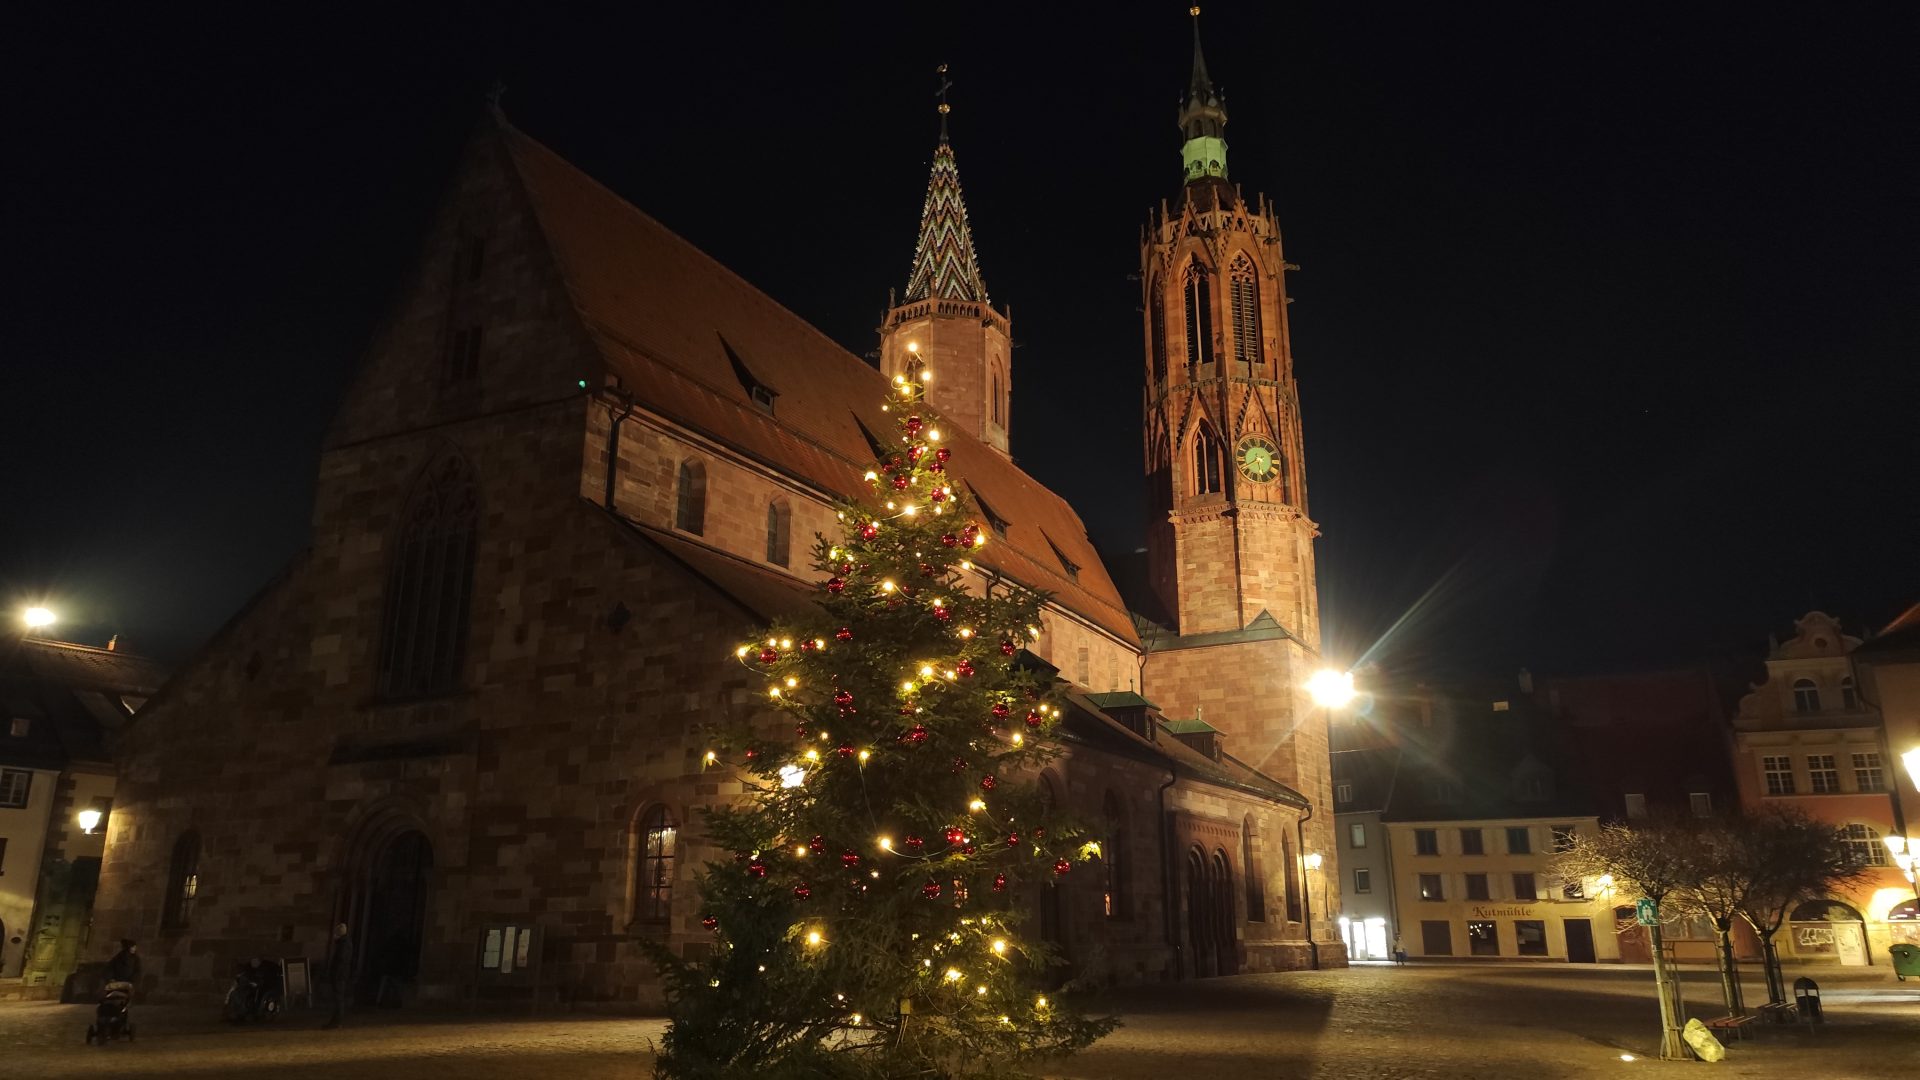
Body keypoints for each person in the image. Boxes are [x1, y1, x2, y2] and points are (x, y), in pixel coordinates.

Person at [322, 923, 352, 1029]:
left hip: (339, 976)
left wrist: (335, 974)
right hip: (341, 975)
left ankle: (337, 1021)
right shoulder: (345, 943)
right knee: (338, 998)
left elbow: (340, 960)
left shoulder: (343, 944)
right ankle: (336, 1021)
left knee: (338, 999)